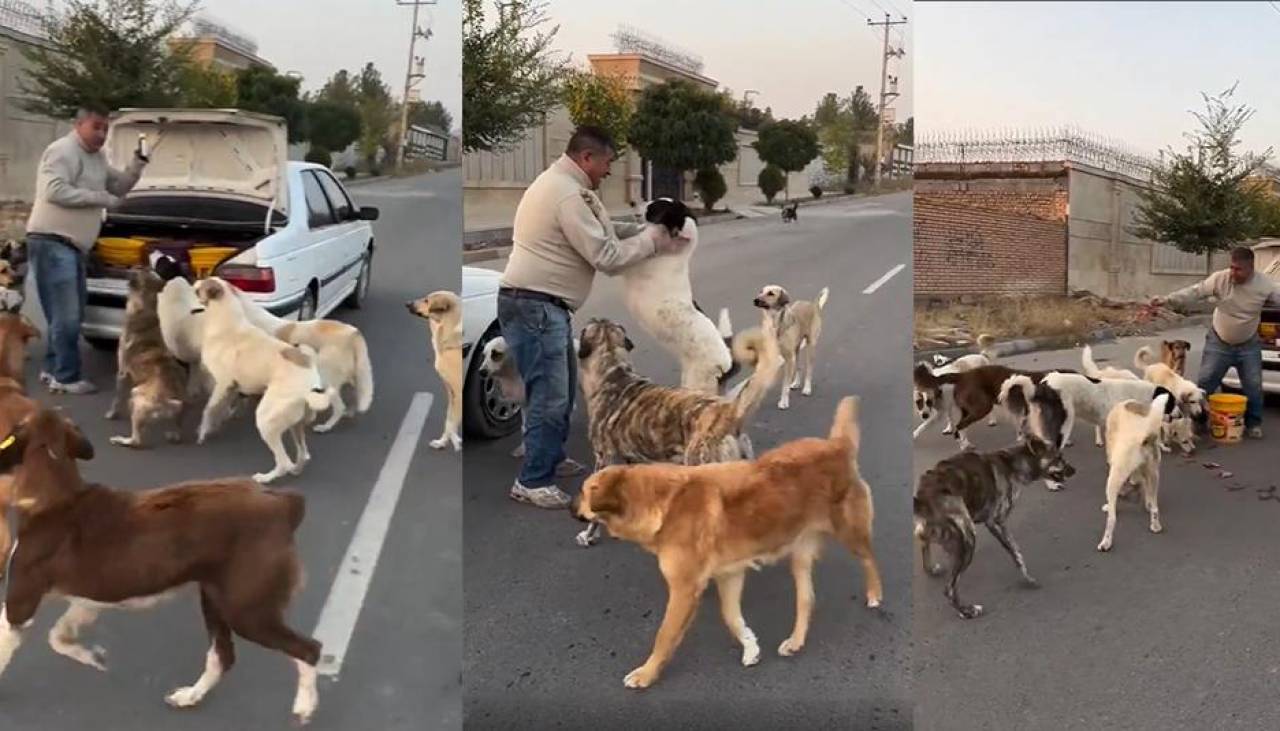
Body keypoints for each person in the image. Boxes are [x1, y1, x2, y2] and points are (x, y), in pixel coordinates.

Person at [498, 126, 684, 508]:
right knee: (549, 397)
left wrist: (648, 231)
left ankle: (549, 456)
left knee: (561, 392)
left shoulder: (571, 189)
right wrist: (652, 242)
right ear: (587, 158)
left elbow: (605, 231)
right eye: (607, 162)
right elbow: (606, 256)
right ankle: (532, 481)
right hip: (535, 305)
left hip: (543, 306)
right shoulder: (565, 194)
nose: (609, 171)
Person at [26, 103, 147, 394]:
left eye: (105, 128)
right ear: (78, 125)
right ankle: (67, 377)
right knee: (67, 315)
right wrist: (100, 198)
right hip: (52, 240)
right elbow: (53, 189)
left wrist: (138, 164)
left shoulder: (97, 158)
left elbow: (118, 188)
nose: (102, 134)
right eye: (96, 127)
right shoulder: (63, 151)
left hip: (72, 246)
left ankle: (53, 368)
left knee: (69, 313)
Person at [1151, 245, 1280, 438]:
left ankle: (1253, 424)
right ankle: (1199, 422)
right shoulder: (1220, 279)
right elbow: (1195, 291)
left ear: (1251, 268)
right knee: (1205, 384)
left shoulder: (1265, 285)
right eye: (1232, 267)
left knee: (1253, 386)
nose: (1233, 272)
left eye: (1238, 269)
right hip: (1219, 342)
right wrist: (1167, 299)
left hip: (1248, 344)